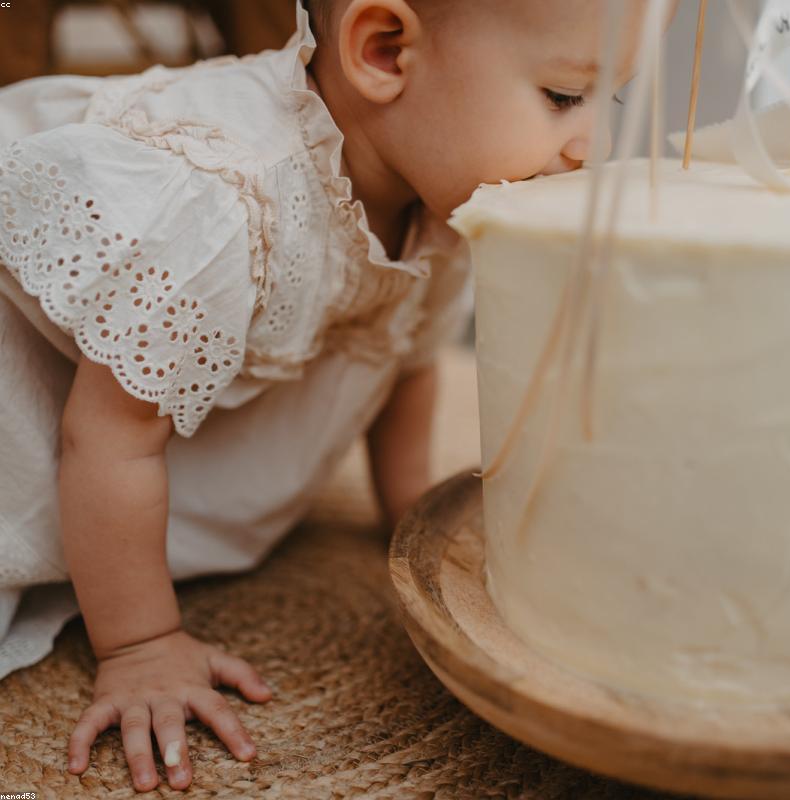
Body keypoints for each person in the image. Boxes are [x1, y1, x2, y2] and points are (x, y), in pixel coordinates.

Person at [0, 0, 661, 792]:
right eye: (563, 97)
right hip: (48, 400)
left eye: (609, 101)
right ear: (384, 52)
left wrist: (412, 509)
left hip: (126, 434)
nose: (594, 146)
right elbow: (108, 437)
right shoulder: (218, 200)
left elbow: (404, 355)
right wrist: (141, 646)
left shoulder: (444, 188)